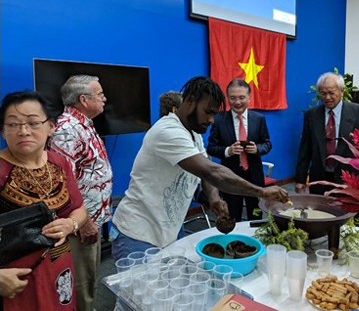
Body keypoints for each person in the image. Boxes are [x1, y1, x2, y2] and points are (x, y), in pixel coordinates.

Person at [111, 76, 290, 260]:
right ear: (190, 102)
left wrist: (213, 199)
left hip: (169, 230)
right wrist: (261, 192)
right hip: (138, 235)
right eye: (208, 112)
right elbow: (212, 171)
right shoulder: (168, 131)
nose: (212, 120)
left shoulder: (193, 134)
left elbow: (205, 175)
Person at [0, 90, 88, 310]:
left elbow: (79, 209)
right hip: (14, 281)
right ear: (3, 131)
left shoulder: (59, 163)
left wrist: (71, 224)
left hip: (60, 270)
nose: (23, 131)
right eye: (12, 124)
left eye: (33, 122)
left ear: (51, 127)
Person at [48, 75, 113, 311]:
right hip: (79, 225)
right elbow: (63, 183)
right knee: (81, 283)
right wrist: (83, 221)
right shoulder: (67, 130)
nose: (105, 98)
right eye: (100, 94)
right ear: (83, 99)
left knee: (89, 278)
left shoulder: (83, 123)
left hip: (91, 220)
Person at [207, 79, 272, 221]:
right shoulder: (219, 119)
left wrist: (257, 149)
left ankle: (255, 239)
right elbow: (211, 148)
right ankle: (235, 242)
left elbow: (267, 144)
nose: (237, 102)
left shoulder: (259, 118)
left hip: (254, 176)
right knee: (232, 215)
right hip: (230, 177)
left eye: (242, 98)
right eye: (233, 98)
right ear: (227, 98)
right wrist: (227, 151)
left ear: (249, 97)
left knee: (255, 214)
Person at [295, 72, 359, 195]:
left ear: (342, 91)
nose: (327, 97)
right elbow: (305, 149)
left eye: (331, 93)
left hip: (348, 179)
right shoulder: (311, 115)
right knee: (319, 212)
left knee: (348, 213)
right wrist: (300, 179)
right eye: (323, 93)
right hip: (319, 178)